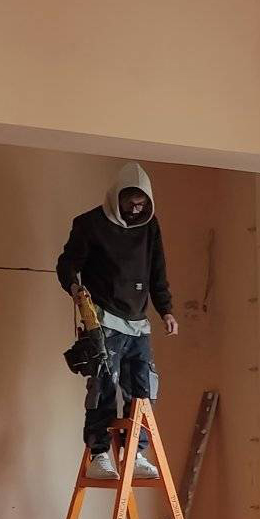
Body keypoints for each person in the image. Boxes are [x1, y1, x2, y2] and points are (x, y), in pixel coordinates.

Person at [57, 162, 178, 480]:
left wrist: (166, 310)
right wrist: (74, 288)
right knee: (103, 387)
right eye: (130, 204)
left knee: (143, 389)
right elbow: (67, 263)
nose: (136, 210)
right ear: (116, 198)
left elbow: (157, 271)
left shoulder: (150, 227)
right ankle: (99, 454)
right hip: (103, 318)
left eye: (141, 204)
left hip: (138, 322)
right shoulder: (89, 224)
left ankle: (135, 453)